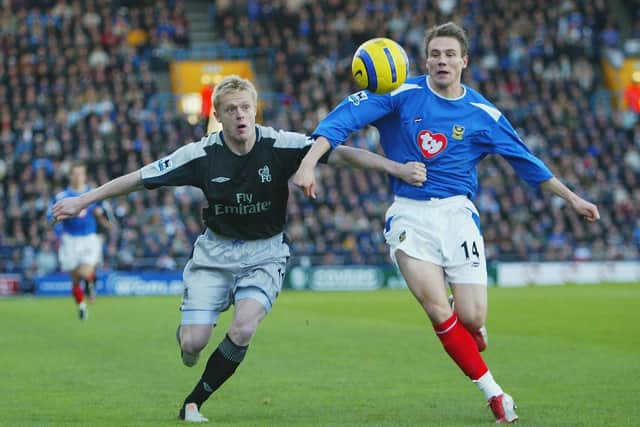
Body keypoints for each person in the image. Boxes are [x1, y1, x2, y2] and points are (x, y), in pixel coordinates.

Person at [52, 75, 426, 422]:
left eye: (245, 107)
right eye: (230, 109)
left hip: (265, 253)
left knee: (244, 327)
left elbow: (343, 154)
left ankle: (193, 402)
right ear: (217, 115)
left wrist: (397, 169)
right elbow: (141, 177)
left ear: (255, 108)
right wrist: (85, 199)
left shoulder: (280, 145)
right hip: (214, 256)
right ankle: (189, 341)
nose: (240, 114)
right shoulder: (200, 155)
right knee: (192, 343)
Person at [292, 22, 600, 424]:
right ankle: (495, 394)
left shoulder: (483, 114)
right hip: (409, 214)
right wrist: (309, 163)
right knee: (438, 310)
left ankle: (468, 325)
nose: (442, 60)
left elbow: (527, 162)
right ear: (425, 60)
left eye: (450, 54)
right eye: (435, 53)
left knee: (471, 318)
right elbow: (340, 121)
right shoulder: (400, 93)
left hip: (458, 215)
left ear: (464, 62)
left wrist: (573, 198)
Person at [51, 161, 111, 320]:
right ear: (70, 176)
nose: (78, 177)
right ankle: (82, 305)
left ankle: (90, 282)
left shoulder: (93, 194)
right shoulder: (62, 196)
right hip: (70, 240)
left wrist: (104, 220)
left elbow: (105, 214)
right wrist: (56, 221)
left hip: (89, 238)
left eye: (81, 173)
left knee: (85, 271)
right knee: (76, 278)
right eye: (75, 173)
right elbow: (52, 218)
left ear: (85, 176)